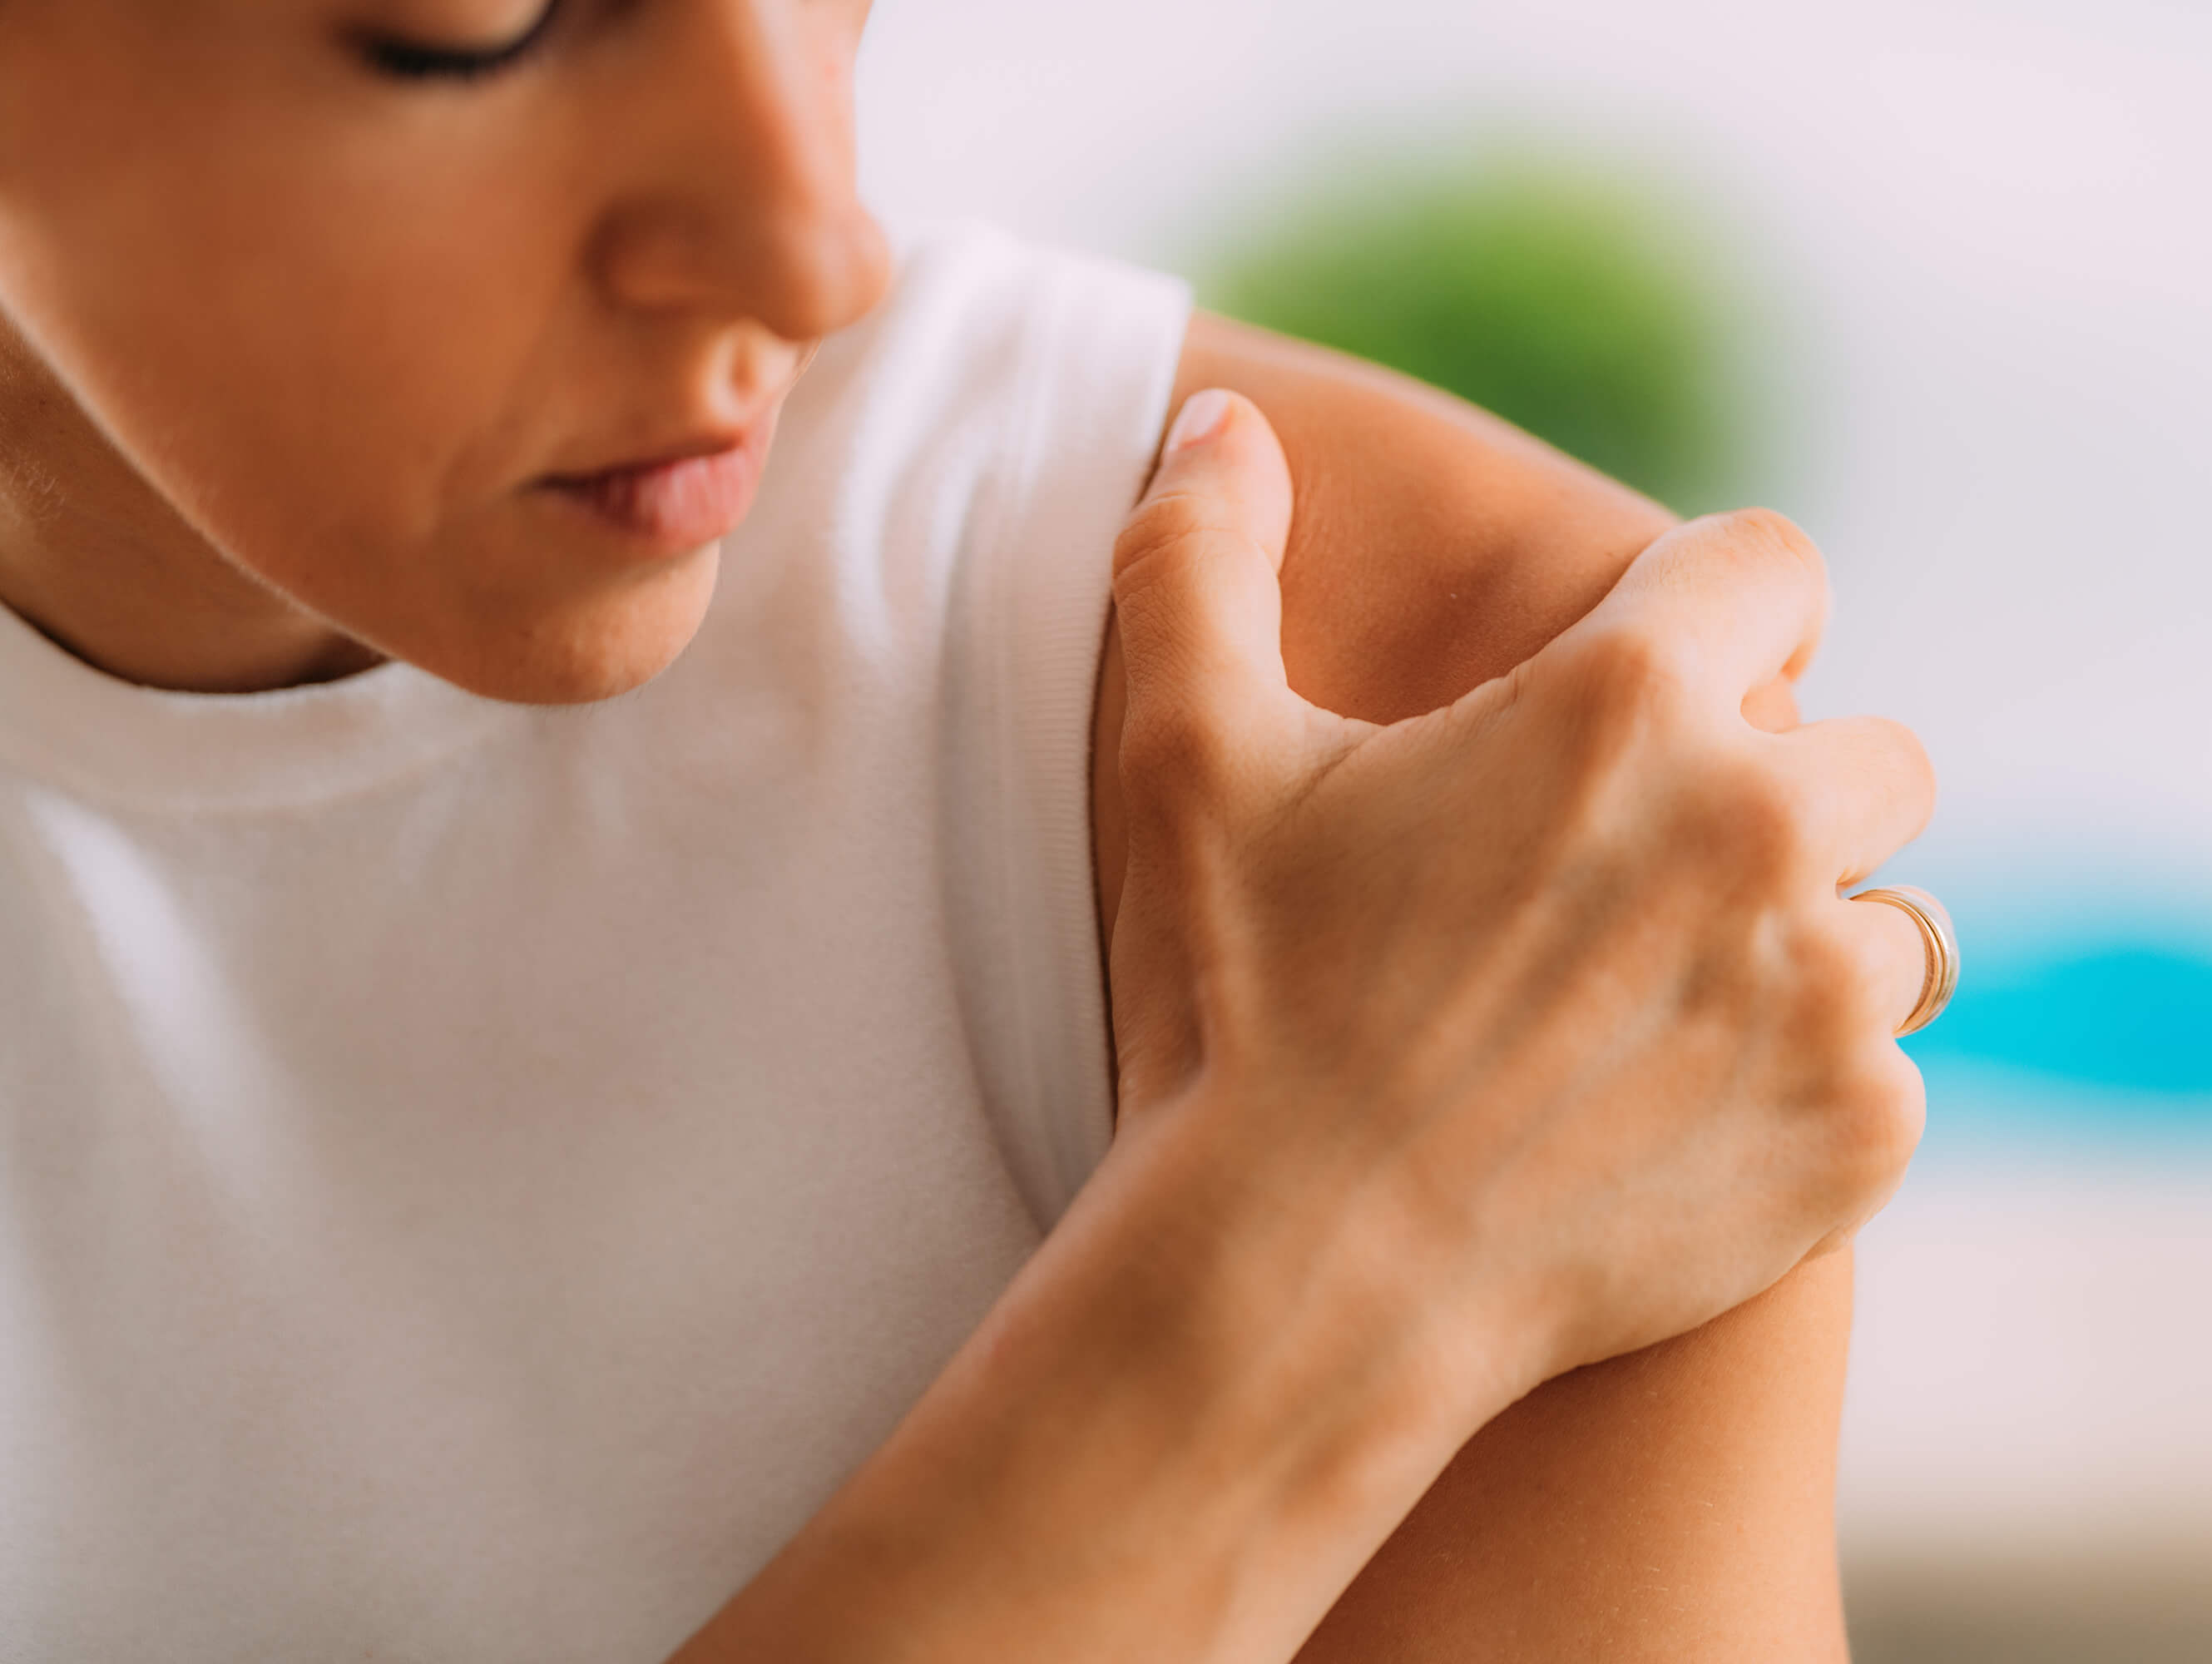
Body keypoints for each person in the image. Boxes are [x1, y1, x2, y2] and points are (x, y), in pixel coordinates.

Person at [0, 2, 1940, 1659]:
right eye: (489, 23)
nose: (813, 245)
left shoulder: (1482, 741)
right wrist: (1332, 1263)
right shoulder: (1469, 989)